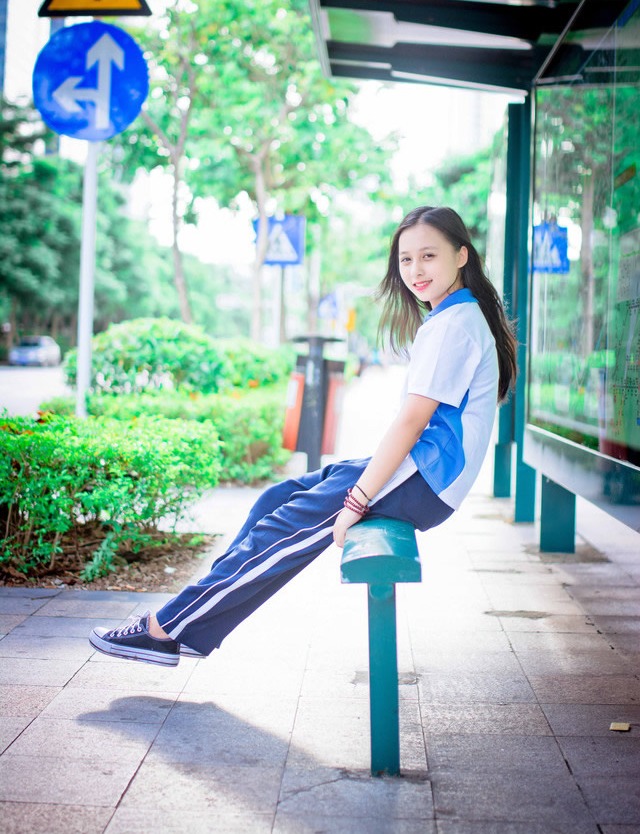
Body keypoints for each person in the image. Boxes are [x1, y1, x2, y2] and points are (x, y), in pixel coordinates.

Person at [89, 205, 518, 666]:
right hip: (421, 475)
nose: (415, 270)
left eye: (428, 256)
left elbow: (412, 422)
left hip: (423, 481)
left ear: (460, 256)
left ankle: (165, 628)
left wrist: (356, 501)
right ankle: (195, 625)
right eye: (406, 259)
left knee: (281, 530)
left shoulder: (454, 323)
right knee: (278, 498)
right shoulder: (453, 316)